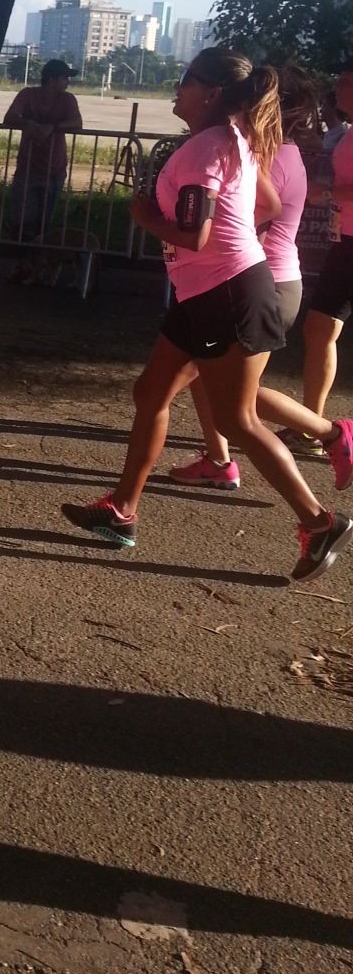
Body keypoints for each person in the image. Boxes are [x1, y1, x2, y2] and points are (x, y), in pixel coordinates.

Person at [62, 48, 353, 585]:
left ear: (212, 93)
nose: (178, 88)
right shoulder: (233, 140)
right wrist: (232, 232)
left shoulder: (205, 148)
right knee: (152, 392)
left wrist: (145, 216)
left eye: (187, 80)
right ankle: (121, 511)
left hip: (228, 294)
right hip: (207, 291)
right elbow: (267, 206)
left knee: (236, 420)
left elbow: (193, 235)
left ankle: (320, 522)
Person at [169, 66, 344, 488]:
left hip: (261, 283)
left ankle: (331, 436)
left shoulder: (274, 157)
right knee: (208, 379)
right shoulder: (275, 152)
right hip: (260, 281)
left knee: (233, 398)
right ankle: (219, 459)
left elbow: (255, 217)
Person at [279, 62, 353, 448]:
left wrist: (324, 195)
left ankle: (314, 427)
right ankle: (311, 425)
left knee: (320, 328)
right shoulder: (348, 132)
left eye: (346, 81)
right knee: (320, 328)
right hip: (346, 241)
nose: (337, 86)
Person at [2, 58, 82, 271]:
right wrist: (27, 123)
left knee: (44, 224)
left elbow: (77, 122)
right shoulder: (28, 94)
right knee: (21, 222)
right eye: (64, 78)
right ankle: (23, 264)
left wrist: (52, 127)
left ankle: (38, 267)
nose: (67, 82)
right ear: (52, 80)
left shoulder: (68, 99)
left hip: (54, 170)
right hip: (27, 169)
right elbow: (9, 117)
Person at [320, 88, 349, 155]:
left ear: (333, 108)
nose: (321, 110)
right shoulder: (329, 133)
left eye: (324, 105)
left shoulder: (342, 135)